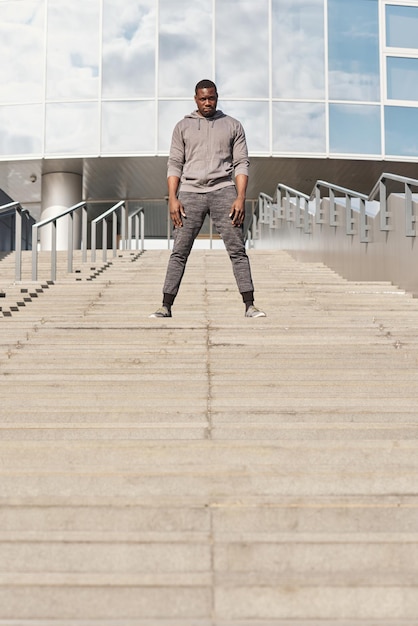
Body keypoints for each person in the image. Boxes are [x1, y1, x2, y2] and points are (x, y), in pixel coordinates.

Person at [150, 79, 266, 318]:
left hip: (224, 191)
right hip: (190, 193)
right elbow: (174, 164)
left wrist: (240, 197)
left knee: (237, 250)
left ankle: (250, 304)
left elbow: (241, 163)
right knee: (179, 252)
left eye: (211, 98)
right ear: (195, 99)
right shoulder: (183, 126)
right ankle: (165, 305)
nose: (207, 103)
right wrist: (173, 198)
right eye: (202, 98)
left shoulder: (232, 125)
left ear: (217, 97)